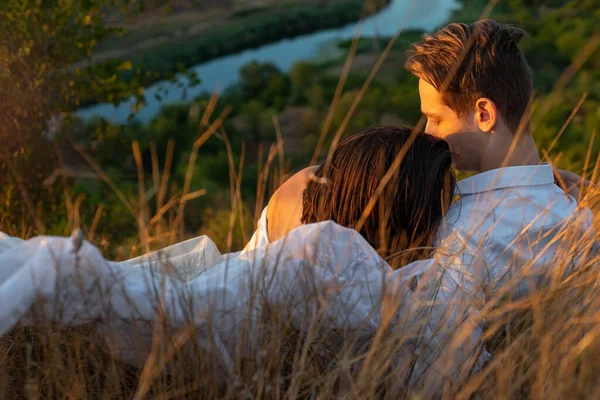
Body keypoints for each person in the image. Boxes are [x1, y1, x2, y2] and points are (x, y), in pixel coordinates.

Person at [244, 19, 597, 387]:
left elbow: (427, 374)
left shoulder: (458, 234)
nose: (427, 134)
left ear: (484, 114)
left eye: (435, 118)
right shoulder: (576, 215)